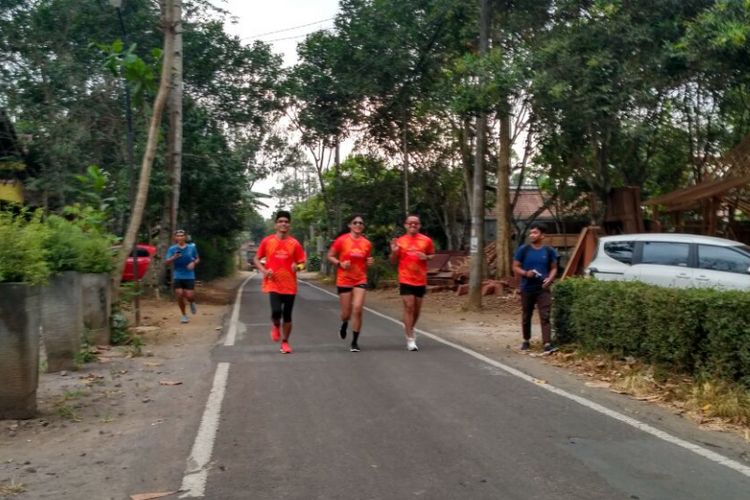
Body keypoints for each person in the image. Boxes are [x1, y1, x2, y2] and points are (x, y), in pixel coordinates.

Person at [253, 210, 306, 354]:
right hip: (273, 283)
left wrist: (298, 267)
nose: (284, 224)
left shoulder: (294, 244)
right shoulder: (267, 241)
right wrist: (264, 271)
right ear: (276, 224)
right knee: (276, 311)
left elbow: (302, 262)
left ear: (289, 225)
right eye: (281, 221)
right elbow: (257, 259)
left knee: (287, 315)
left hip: (290, 285)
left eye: (286, 222)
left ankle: (285, 342)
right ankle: (276, 325)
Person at [327, 214, 374, 352]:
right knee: (346, 313)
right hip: (344, 279)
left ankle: (354, 342)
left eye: (361, 223)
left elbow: (366, 260)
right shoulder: (342, 241)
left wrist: (369, 262)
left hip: (360, 279)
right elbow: (330, 256)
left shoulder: (367, 243)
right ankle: (344, 323)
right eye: (355, 222)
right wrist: (340, 263)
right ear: (350, 225)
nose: (358, 225)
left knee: (358, 309)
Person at [389, 214, 435, 351]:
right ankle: (410, 339)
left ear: (419, 225)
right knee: (409, 306)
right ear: (405, 225)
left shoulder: (426, 240)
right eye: (410, 223)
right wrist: (393, 252)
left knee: (417, 310)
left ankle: (410, 327)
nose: (413, 225)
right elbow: (392, 261)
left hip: (420, 279)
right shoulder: (400, 241)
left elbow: (432, 254)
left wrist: (425, 257)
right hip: (405, 278)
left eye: (416, 223)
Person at [512, 222, 558, 353]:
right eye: (531, 232)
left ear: (543, 235)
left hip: (542, 288)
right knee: (527, 315)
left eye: (535, 233)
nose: (532, 235)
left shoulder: (549, 251)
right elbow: (515, 266)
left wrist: (550, 278)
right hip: (527, 287)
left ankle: (547, 344)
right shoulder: (524, 250)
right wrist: (525, 273)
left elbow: (554, 268)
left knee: (545, 315)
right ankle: (526, 340)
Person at [165, 229, 200, 324]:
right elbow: (166, 262)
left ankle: (192, 302)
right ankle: (184, 315)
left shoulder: (191, 247)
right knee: (179, 295)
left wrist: (193, 263)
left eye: (182, 236)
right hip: (178, 274)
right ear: (175, 238)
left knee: (189, 296)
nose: (180, 237)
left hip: (189, 275)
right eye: (178, 236)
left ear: (185, 237)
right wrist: (174, 257)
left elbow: (197, 259)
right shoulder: (172, 249)